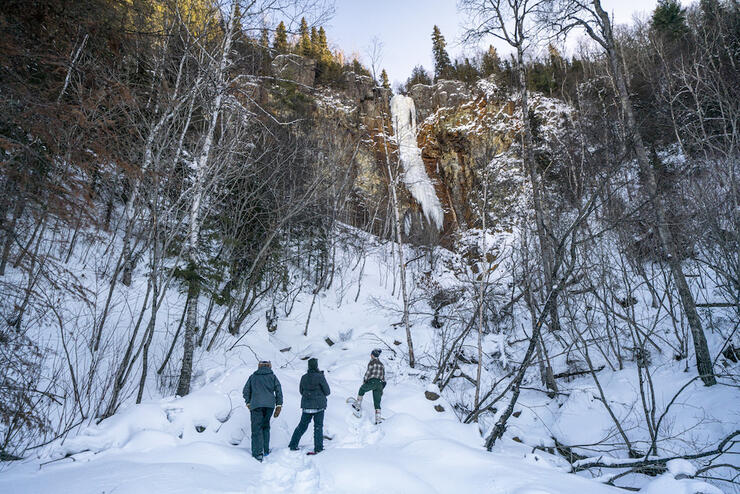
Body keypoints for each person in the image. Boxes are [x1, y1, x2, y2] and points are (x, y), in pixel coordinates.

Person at [242, 360, 283, 462]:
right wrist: (278, 405)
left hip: (256, 405)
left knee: (256, 429)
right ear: (269, 366)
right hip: (269, 405)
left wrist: (248, 403)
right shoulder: (273, 377)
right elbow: (279, 391)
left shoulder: (253, 377)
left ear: (259, 366)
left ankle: (257, 453)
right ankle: (265, 449)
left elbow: (245, 391)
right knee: (265, 426)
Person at [289, 358, 331, 455]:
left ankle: (293, 444)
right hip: (319, 406)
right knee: (318, 427)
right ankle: (318, 448)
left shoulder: (304, 377)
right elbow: (327, 392)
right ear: (316, 366)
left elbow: (301, 391)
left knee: (302, 426)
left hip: (307, 406)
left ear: (308, 366)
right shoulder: (320, 377)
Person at [352, 349, 385, 424]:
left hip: (372, 381)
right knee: (377, 402)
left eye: (371, 354)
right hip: (380, 384)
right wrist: (381, 388)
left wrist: (365, 380)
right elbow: (383, 376)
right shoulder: (381, 364)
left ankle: (357, 405)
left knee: (362, 389)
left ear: (373, 355)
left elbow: (368, 373)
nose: (371, 355)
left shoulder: (371, 363)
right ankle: (378, 419)